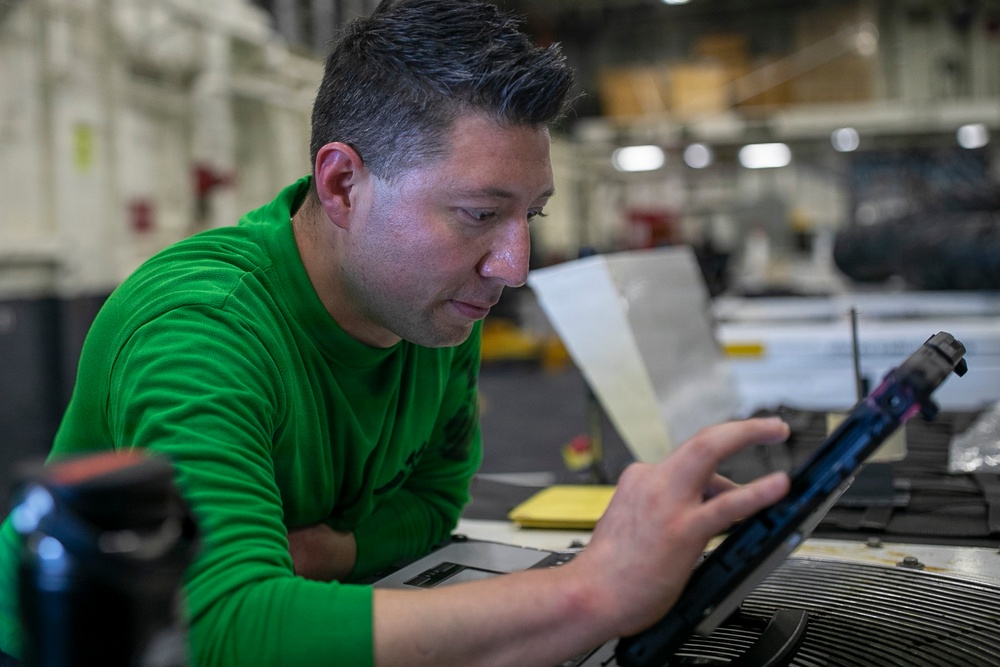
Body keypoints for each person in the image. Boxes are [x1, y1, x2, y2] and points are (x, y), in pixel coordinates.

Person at [0, 0, 791, 665]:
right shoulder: (202, 326)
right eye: (480, 214)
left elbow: (433, 501)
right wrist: (593, 590)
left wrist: (324, 553)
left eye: (530, 216)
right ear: (343, 183)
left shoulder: (430, 306)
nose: (513, 266)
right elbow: (219, 625)